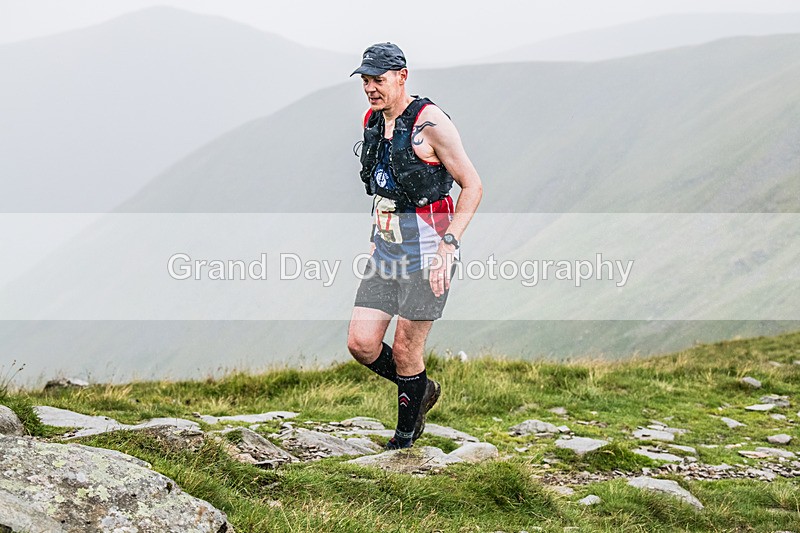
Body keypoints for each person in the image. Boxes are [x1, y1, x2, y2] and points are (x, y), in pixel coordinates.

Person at [346, 43, 483, 450]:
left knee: (407, 347)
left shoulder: (432, 124)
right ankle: (421, 389)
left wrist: (449, 246)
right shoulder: (372, 120)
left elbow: (473, 186)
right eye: (366, 81)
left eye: (379, 80)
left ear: (402, 76)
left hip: (429, 256)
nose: (371, 88)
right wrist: (375, 241)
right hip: (386, 252)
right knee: (362, 343)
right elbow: (385, 191)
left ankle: (403, 443)